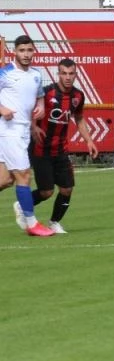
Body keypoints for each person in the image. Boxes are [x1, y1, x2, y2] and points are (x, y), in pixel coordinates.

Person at [21, 58, 100, 234]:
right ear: (58, 74)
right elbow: (30, 111)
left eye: (71, 74)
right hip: (41, 148)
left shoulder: (78, 96)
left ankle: (54, 222)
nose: (67, 77)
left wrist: (89, 140)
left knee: (67, 189)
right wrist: (33, 127)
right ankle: (22, 205)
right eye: (64, 73)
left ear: (76, 75)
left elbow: (79, 118)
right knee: (46, 192)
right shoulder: (46, 93)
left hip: (61, 149)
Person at [0, 35, 52, 236]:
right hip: (8, 130)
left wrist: (40, 109)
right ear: (15, 52)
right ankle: (31, 223)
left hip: (23, 131)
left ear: (34, 52)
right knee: (24, 174)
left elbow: (39, 98)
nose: (26, 54)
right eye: (22, 51)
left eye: (29, 50)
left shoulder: (36, 75)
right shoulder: (5, 73)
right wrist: (2, 108)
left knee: (5, 180)